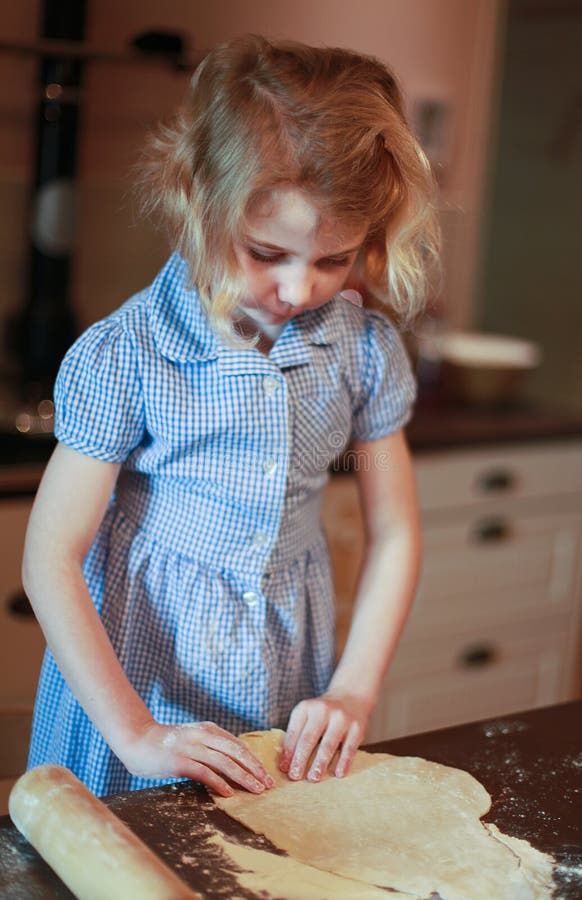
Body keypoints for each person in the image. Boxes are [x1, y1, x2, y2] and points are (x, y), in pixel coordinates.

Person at [24, 34, 440, 799]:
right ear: (198, 200)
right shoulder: (131, 354)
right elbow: (50, 553)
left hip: (284, 667)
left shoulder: (366, 353)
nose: (296, 288)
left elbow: (397, 529)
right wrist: (136, 733)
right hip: (136, 678)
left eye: (332, 259)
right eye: (265, 251)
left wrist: (352, 688)